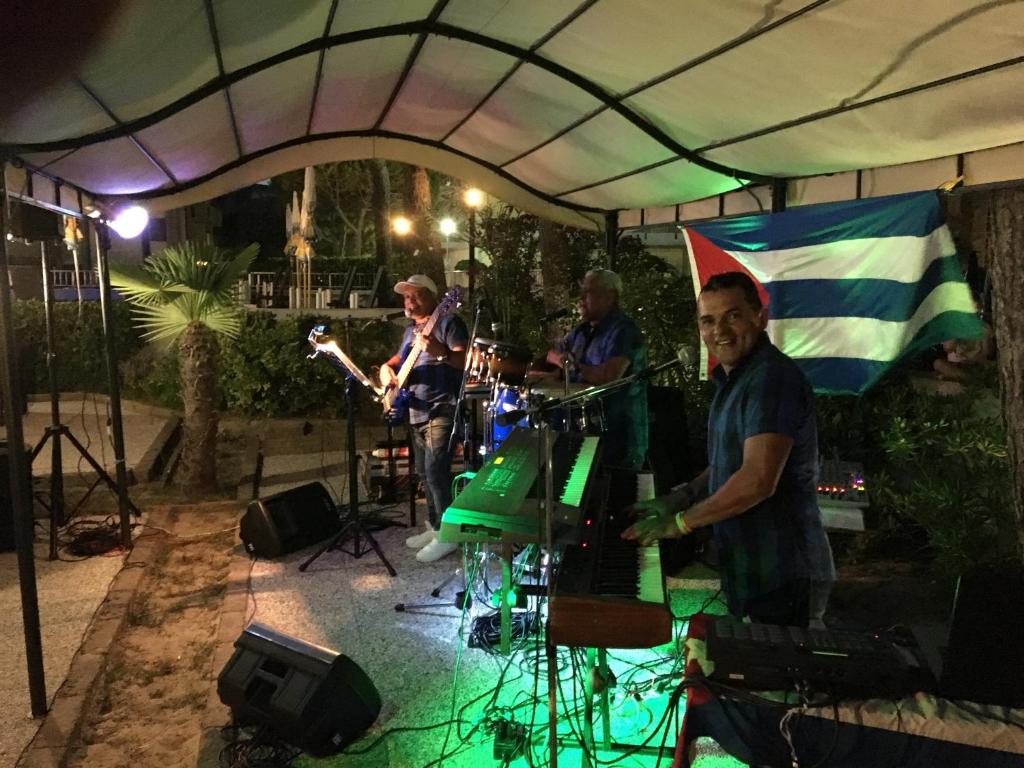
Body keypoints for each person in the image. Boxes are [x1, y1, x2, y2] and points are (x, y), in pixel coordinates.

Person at [623, 272, 834, 627]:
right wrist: (682, 496)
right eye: (708, 320)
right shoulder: (737, 378)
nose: (719, 330)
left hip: (783, 571)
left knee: (775, 677)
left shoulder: (771, 379)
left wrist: (679, 524)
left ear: (760, 318)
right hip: (754, 567)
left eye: (733, 316)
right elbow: (729, 465)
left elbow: (757, 480)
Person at [380, 274, 468, 562]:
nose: (410, 300)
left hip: (441, 406)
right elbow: (399, 359)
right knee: (423, 472)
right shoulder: (410, 330)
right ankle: (434, 526)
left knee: (436, 471)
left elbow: (463, 361)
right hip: (414, 407)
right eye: (406, 296)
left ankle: (449, 534)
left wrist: (439, 352)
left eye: (417, 295)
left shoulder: (448, 323)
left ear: (434, 297)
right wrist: (386, 368)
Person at [543, 269, 648, 470]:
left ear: (611, 295)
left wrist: (572, 365)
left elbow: (609, 377)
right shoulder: (581, 332)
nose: (581, 298)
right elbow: (553, 357)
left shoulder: (624, 331)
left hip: (618, 438)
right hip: (582, 435)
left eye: (589, 292)